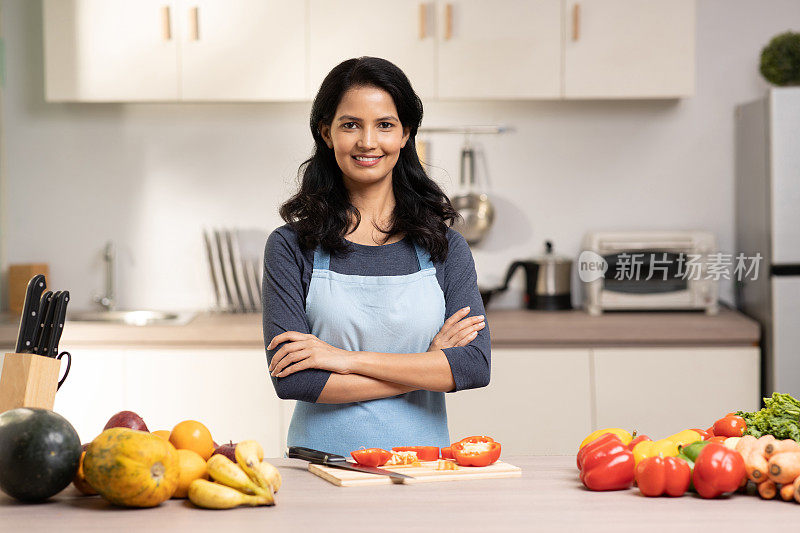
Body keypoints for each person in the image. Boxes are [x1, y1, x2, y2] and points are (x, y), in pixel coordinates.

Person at [263, 57, 490, 457]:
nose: (368, 141)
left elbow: (472, 367)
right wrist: (430, 365)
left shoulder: (445, 247)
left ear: (405, 135)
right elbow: (296, 382)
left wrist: (342, 360)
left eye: (384, 124)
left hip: (423, 468)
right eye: (351, 124)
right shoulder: (290, 246)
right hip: (321, 466)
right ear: (327, 133)